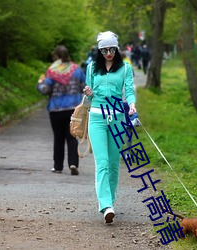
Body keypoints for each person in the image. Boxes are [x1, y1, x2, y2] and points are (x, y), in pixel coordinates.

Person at [83, 31, 136, 223]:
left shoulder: (125, 68)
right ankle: (105, 205)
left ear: (117, 48)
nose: (108, 53)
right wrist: (88, 92)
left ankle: (110, 201)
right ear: (99, 50)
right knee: (102, 162)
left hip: (118, 118)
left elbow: (129, 90)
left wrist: (131, 104)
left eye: (112, 49)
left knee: (114, 163)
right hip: (96, 118)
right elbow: (89, 97)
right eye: (104, 50)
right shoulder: (91, 68)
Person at [37, 45, 86, 175]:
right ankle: (73, 163)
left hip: (56, 109)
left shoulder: (52, 71)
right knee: (72, 137)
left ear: (56, 57)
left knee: (58, 138)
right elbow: (84, 87)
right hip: (73, 109)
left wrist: (40, 83)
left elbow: (45, 90)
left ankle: (58, 166)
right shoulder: (77, 70)